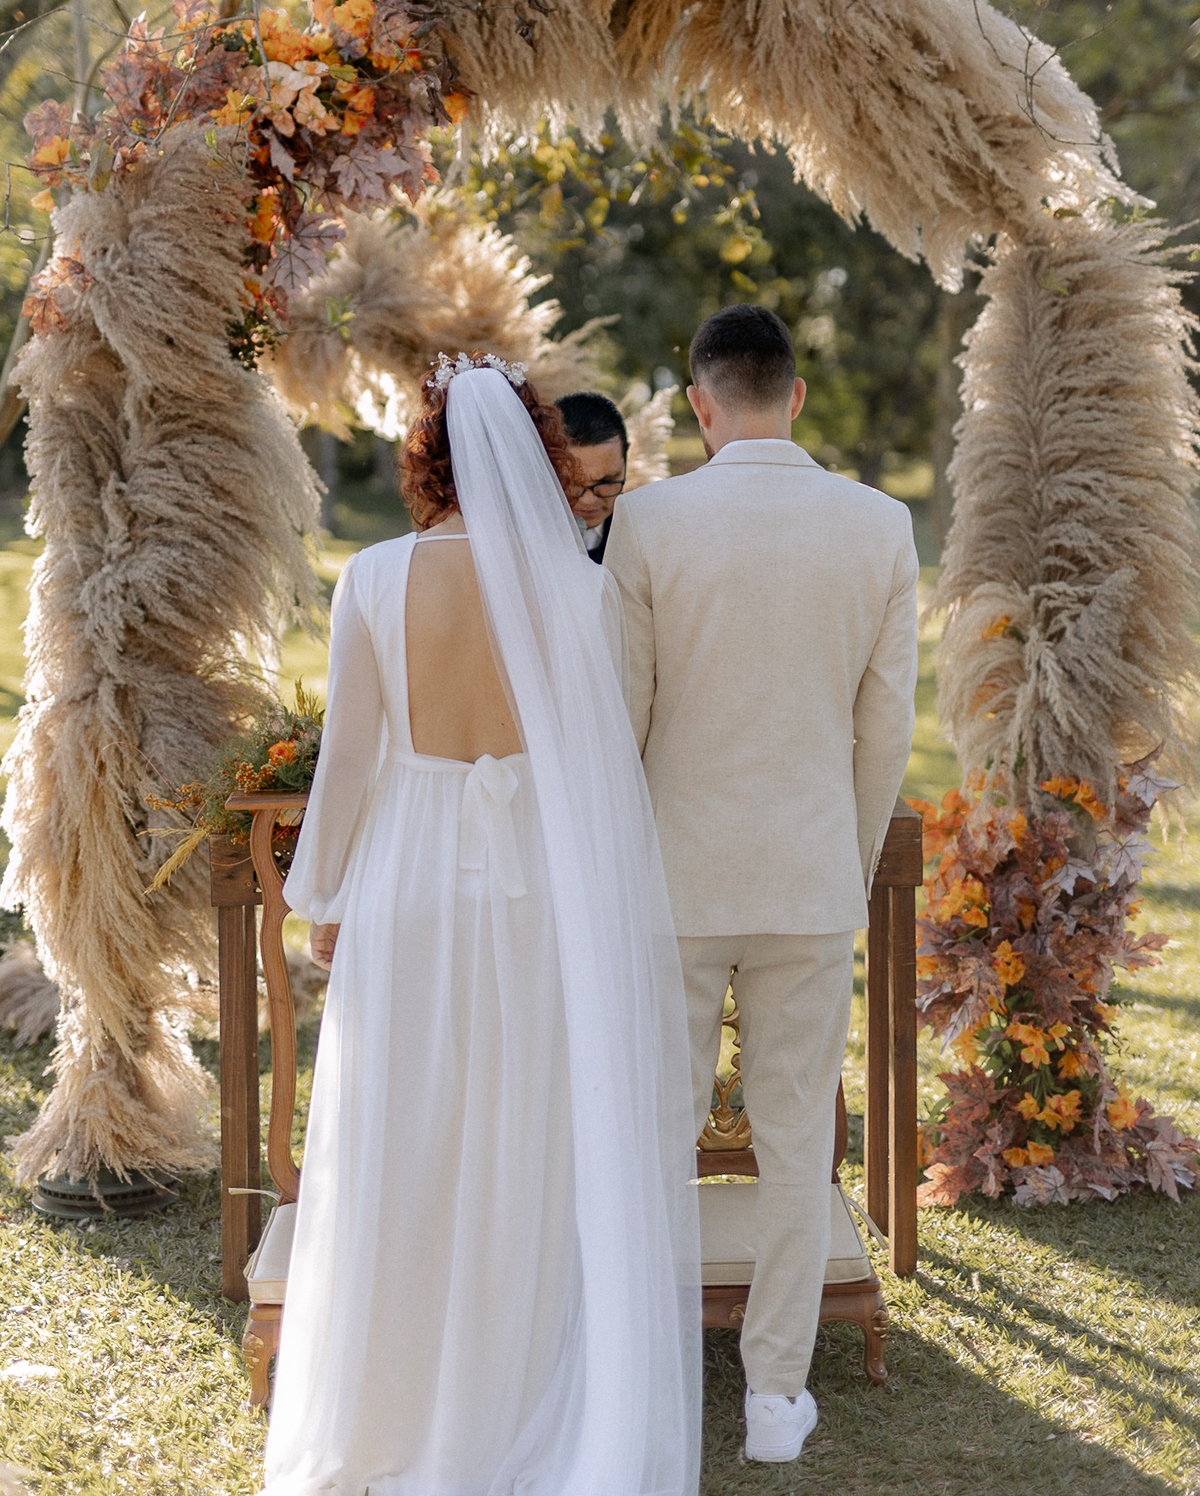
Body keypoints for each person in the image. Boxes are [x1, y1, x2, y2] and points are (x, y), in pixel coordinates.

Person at [262, 354, 700, 1496]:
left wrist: (324, 900)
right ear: (538, 459)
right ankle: (518, 1395)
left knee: (404, 1136)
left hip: (408, 873)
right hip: (540, 886)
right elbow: (598, 765)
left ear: (428, 458)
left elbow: (350, 761)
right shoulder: (577, 586)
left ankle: (396, 1408)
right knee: (528, 1132)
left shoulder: (375, 577)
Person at [605, 305, 918, 1466]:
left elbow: (618, 720)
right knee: (796, 1142)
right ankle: (776, 1398)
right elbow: (884, 729)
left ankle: (643, 1369)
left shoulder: (644, 523)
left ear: (699, 403)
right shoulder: (880, 526)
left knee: (656, 1133)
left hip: (671, 880)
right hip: (808, 873)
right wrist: (843, 847)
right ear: (793, 395)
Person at [555, 391, 628, 562]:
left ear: (625, 460)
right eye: (572, 483)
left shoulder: (647, 530)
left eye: (606, 481)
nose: (588, 500)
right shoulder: (517, 534)